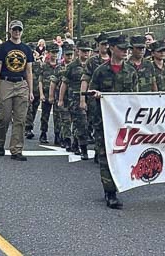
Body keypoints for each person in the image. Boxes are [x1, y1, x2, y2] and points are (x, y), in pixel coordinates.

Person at [88, 34, 138, 209]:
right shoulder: (100, 71)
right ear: (112, 49)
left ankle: (119, 184)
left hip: (124, 121)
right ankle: (110, 192)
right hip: (104, 120)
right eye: (121, 48)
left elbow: (136, 98)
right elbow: (91, 92)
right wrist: (97, 97)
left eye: (126, 49)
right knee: (105, 155)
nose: (125, 51)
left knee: (122, 153)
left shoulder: (131, 71)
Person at [0, 20, 34, 161]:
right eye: (14, 29)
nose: (17, 32)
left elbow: (29, 71)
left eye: (19, 30)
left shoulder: (26, 49)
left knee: (20, 119)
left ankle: (16, 149)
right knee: (4, 117)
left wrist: (31, 90)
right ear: (10, 30)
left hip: (21, 84)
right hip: (6, 82)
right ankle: (0, 142)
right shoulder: (3, 48)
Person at [58, 40, 93, 160]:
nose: (86, 54)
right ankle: (83, 148)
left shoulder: (93, 65)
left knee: (88, 124)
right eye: (84, 51)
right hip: (75, 99)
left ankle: (75, 143)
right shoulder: (72, 66)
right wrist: (61, 99)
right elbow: (64, 83)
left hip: (91, 98)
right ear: (78, 51)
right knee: (81, 122)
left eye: (88, 51)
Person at [80, 32, 110, 162]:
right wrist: (83, 99)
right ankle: (99, 151)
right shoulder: (93, 61)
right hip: (95, 99)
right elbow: (85, 80)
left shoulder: (117, 60)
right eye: (103, 44)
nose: (105, 46)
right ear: (98, 45)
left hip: (111, 100)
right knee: (97, 125)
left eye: (107, 44)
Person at [50, 43, 75, 151]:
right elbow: (53, 82)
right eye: (67, 55)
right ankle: (65, 139)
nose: (69, 57)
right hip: (61, 97)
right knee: (62, 119)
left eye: (71, 54)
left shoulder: (76, 67)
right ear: (63, 55)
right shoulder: (59, 67)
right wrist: (51, 96)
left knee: (75, 120)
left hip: (74, 97)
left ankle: (73, 140)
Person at [38, 45, 60, 145]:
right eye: (52, 52)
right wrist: (41, 94)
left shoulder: (59, 66)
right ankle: (43, 133)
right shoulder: (44, 65)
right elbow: (40, 80)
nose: (54, 55)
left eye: (56, 52)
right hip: (46, 93)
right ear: (49, 53)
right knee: (45, 115)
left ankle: (57, 135)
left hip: (57, 94)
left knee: (57, 116)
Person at [25, 49, 43, 141]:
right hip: (26, 90)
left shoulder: (39, 64)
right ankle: (28, 128)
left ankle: (29, 126)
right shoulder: (25, 64)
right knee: (28, 109)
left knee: (34, 110)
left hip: (37, 90)